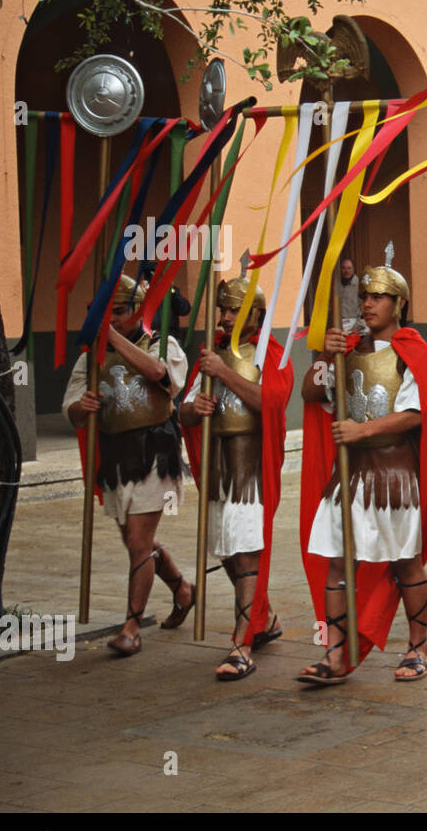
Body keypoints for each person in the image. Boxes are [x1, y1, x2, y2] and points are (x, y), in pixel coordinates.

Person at [296, 263, 427, 685]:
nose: (368, 303)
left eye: (378, 297)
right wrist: (326, 355)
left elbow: (416, 413)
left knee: (406, 563)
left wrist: (363, 430)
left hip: (394, 474)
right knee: (338, 563)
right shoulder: (348, 350)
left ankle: (419, 647)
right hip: (351, 474)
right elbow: (310, 393)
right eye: (364, 296)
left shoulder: (412, 351)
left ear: (399, 304)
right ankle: (335, 653)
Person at [62, 275, 192, 656]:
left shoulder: (162, 343)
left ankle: (132, 628)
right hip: (116, 457)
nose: (114, 319)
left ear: (138, 310)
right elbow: (71, 408)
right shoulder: (91, 356)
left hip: (156, 452)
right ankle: (182, 589)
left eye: (119, 311)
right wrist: (81, 407)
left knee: (137, 541)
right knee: (138, 543)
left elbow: (161, 375)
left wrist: (114, 339)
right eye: (108, 314)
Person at [180, 278, 292, 679]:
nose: (226, 317)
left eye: (234, 310)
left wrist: (224, 374)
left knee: (246, 551)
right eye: (223, 310)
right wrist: (196, 408)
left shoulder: (270, 354)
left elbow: (272, 402)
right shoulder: (212, 354)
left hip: (251, 470)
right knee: (227, 550)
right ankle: (267, 618)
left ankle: (242, 644)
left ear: (255, 314)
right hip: (219, 469)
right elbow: (184, 411)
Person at [337, 255, 359, 325]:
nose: (346, 271)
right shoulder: (336, 285)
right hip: (338, 322)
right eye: (344, 268)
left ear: (353, 269)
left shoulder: (359, 285)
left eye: (349, 268)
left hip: (354, 323)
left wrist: (359, 325)